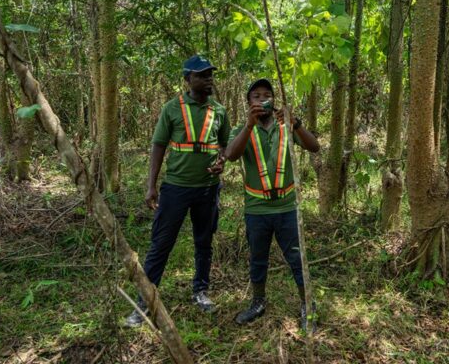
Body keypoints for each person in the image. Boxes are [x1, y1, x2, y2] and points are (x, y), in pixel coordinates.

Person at [125, 55, 230, 327]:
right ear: (188, 79)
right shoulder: (172, 108)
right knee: (161, 244)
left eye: (210, 74)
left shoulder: (218, 110)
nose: (209, 79)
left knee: (204, 242)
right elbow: (158, 145)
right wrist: (151, 186)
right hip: (176, 189)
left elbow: (226, 145)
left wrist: (222, 161)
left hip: (207, 190)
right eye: (202, 75)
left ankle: (201, 291)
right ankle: (144, 302)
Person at [224, 79, 320, 329]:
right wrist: (248, 126)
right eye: (256, 96)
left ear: (274, 101)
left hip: (287, 207)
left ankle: (307, 305)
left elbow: (314, 146)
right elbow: (231, 155)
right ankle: (258, 301)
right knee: (258, 258)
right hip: (256, 209)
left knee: (297, 258)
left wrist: (295, 123)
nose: (262, 99)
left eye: (267, 95)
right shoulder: (242, 129)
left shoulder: (285, 127)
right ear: (249, 103)